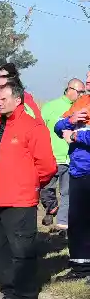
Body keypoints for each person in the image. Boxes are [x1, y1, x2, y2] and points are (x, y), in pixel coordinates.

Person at [0, 79, 57, 299]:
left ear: (18, 99)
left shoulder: (32, 127)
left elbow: (47, 166)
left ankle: (26, 297)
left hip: (20, 198)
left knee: (22, 250)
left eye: (4, 99)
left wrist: (29, 183)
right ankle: (9, 293)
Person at [40, 79, 86, 232]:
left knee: (67, 193)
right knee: (45, 189)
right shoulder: (50, 107)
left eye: (83, 92)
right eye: (79, 91)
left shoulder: (82, 106)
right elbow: (41, 129)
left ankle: (62, 225)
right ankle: (51, 207)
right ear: (69, 89)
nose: (82, 95)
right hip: (51, 157)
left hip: (71, 159)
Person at [55, 101, 90, 283]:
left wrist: (75, 136)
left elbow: (73, 135)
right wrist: (70, 120)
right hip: (77, 171)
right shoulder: (82, 102)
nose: (87, 86)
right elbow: (57, 127)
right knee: (77, 222)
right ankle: (80, 268)